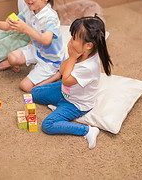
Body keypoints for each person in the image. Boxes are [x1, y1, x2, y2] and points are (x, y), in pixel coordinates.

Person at [31, 15, 113, 149]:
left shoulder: (89, 66)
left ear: (88, 45)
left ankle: (87, 130)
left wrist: (72, 58)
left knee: (48, 125)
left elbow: (66, 80)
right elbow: (62, 70)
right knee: (34, 93)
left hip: (76, 103)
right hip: (65, 91)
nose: (71, 41)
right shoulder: (81, 53)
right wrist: (72, 58)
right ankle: (58, 106)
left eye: (74, 38)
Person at [0, 0, 65, 92]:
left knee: (25, 87)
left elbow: (46, 40)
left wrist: (25, 28)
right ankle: (25, 63)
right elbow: (8, 26)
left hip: (50, 60)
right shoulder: (29, 10)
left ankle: (57, 74)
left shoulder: (51, 17)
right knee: (12, 58)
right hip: (36, 49)